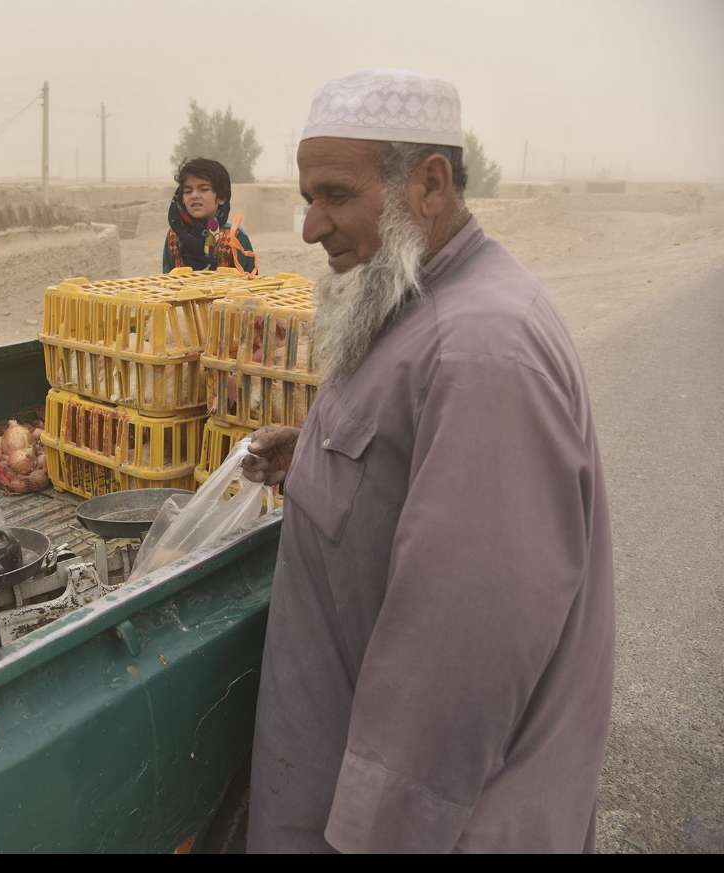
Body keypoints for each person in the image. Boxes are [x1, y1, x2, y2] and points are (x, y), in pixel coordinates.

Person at [242, 69, 614, 853]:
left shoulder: (485, 352)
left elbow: (460, 661)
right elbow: (401, 462)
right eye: (307, 197)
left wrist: (376, 836)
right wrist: (309, 450)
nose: (311, 227)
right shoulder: (416, 299)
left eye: (335, 195)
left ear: (431, 185)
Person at [162, 157, 257, 274]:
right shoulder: (174, 236)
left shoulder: (235, 238)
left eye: (204, 189)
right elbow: (167, 280)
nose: (194, 195)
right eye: (187, 191)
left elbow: (252, 283)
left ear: (221, 197)